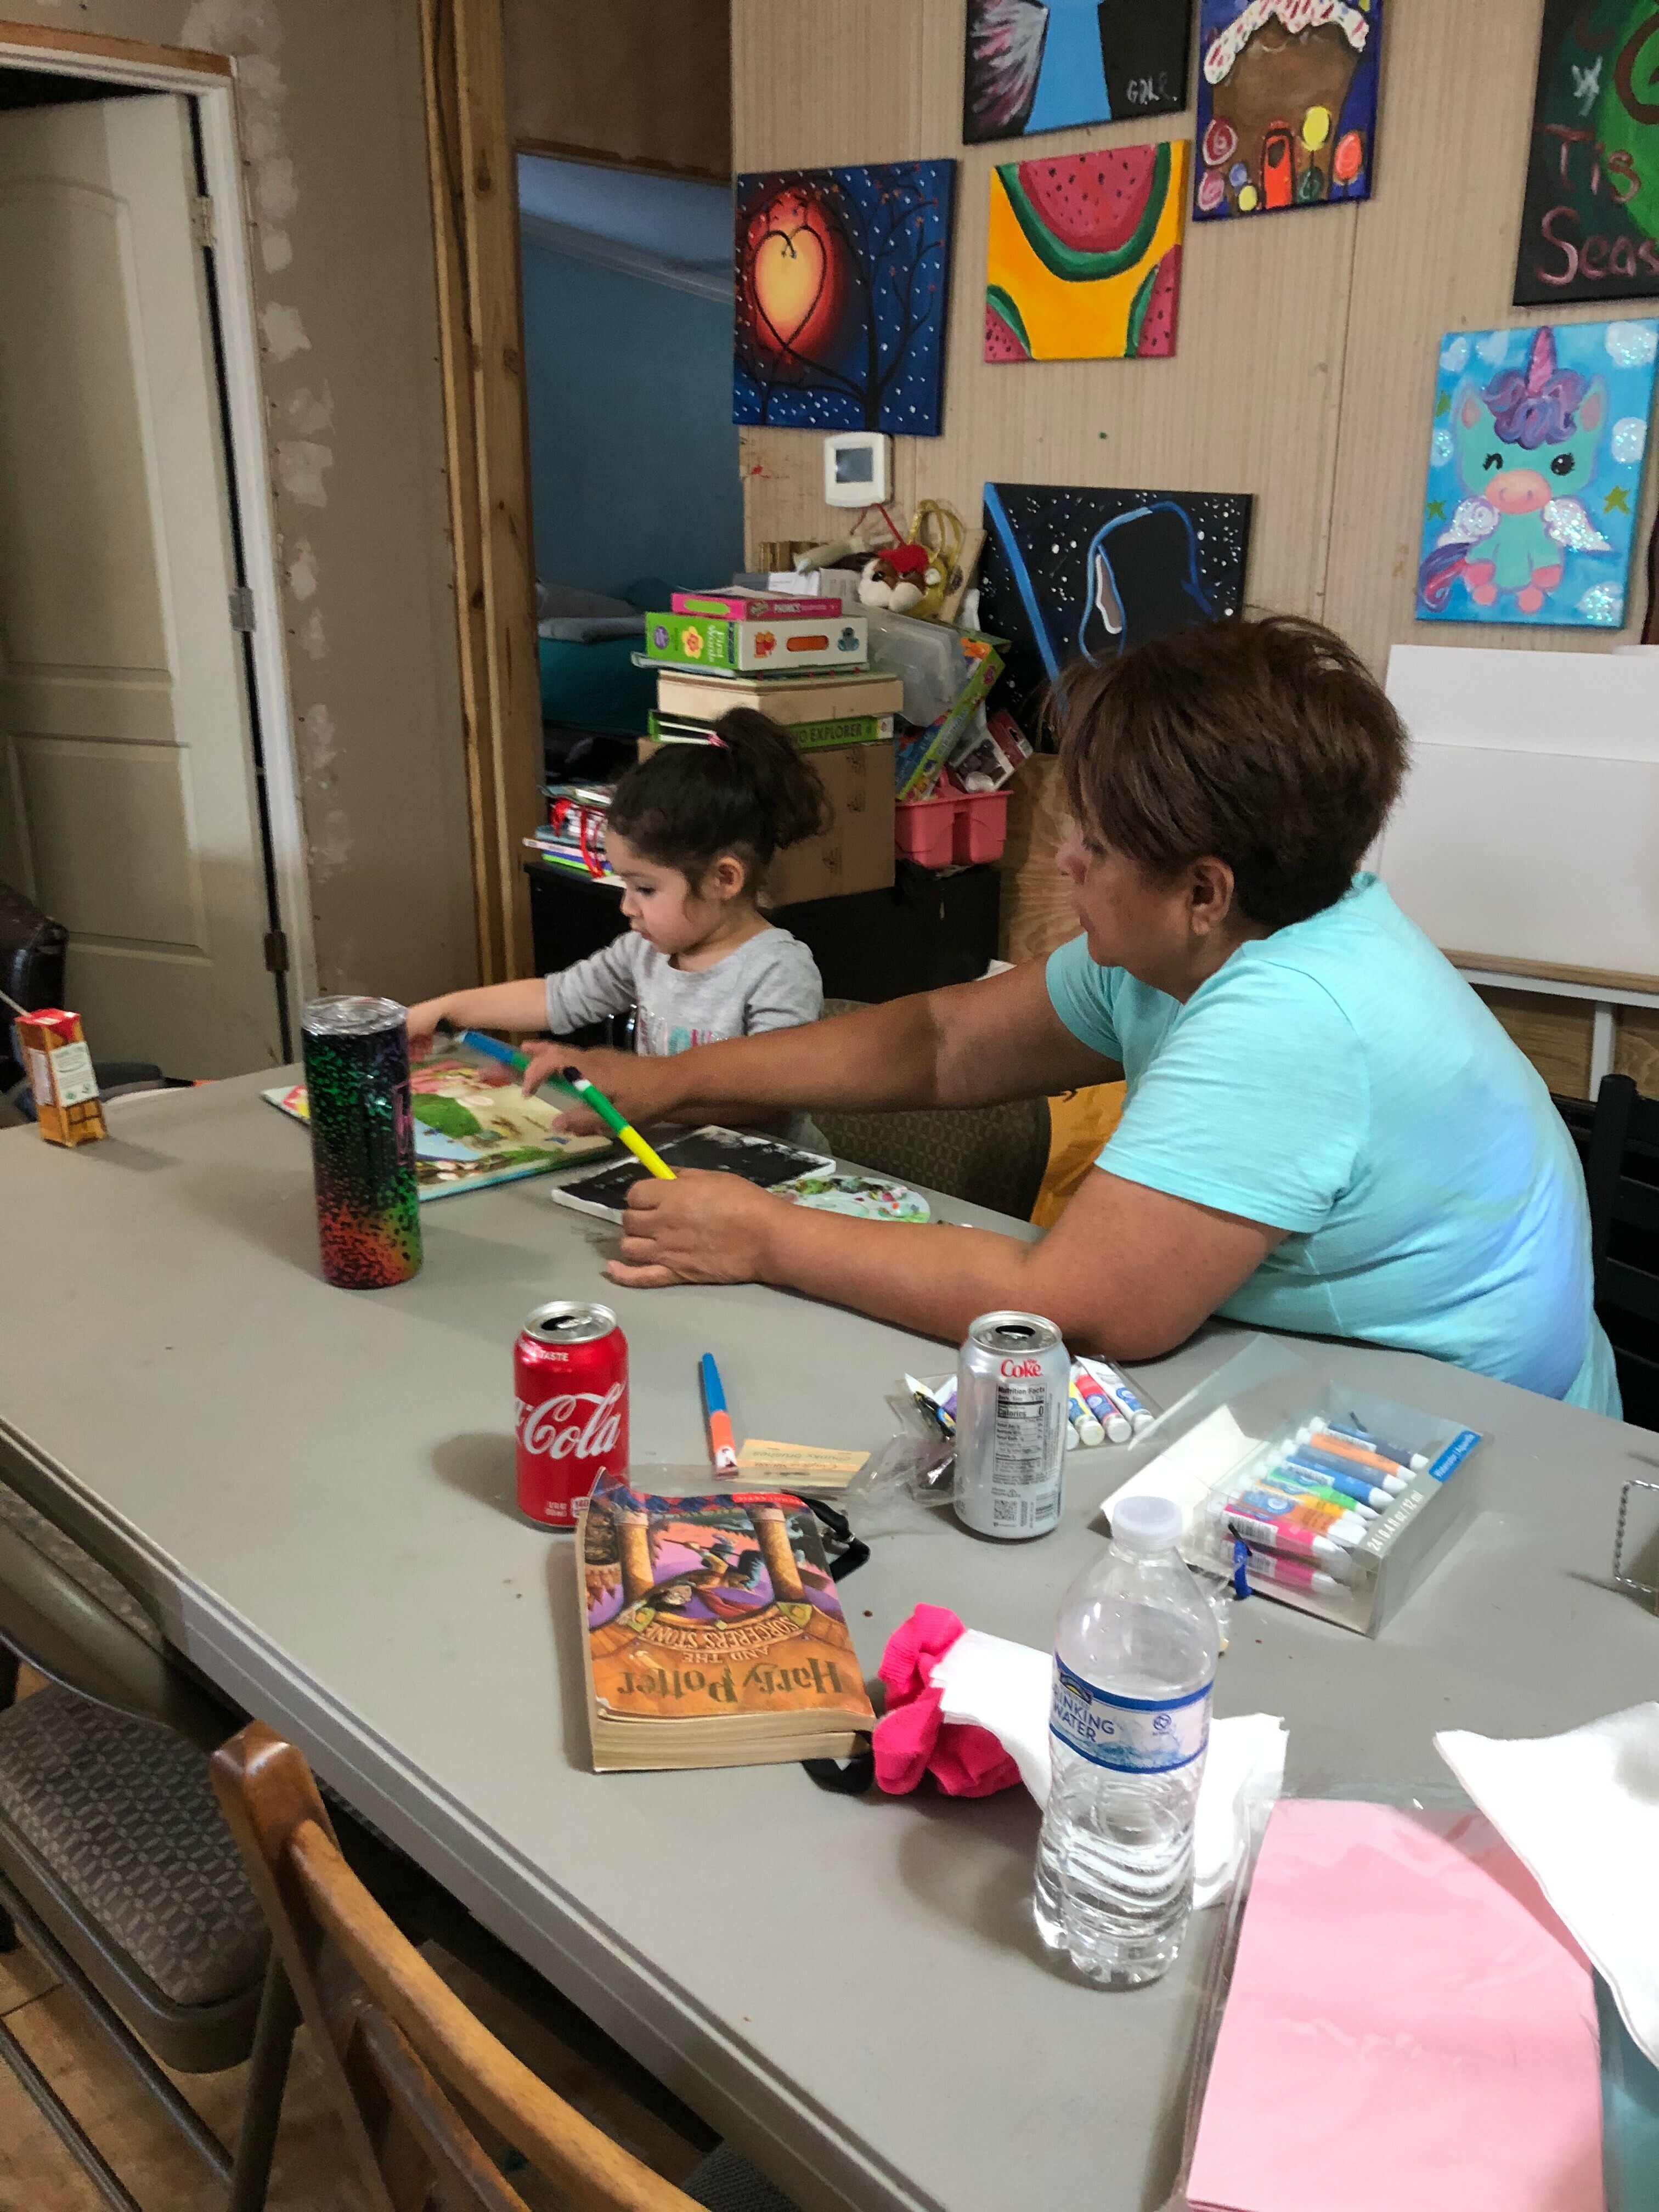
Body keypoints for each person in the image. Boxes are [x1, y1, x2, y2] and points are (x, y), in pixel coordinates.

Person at [517, 617, 1618, 1415]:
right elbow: (941, 1042)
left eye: (1089, 840)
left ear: (1203, 889)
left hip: (1482, 1446)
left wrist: (762, 1235)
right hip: (1325, 1378)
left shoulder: (1293, 1016)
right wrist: (674, 1079)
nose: (1064, 861)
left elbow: (1073, 1307)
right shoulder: (1218, 931)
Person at [407, 712, 830, 1100]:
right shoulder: (643, 952)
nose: (627, 906)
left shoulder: (777, 970)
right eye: (624, 884)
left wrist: (624, 1089)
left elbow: (772, 1097)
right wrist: (441, 1011)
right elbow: (557, 998)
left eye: (645, 888)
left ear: (724, 879)